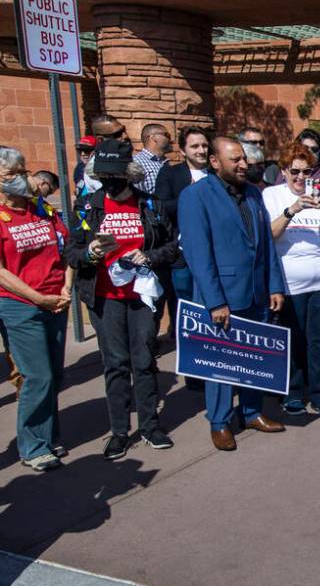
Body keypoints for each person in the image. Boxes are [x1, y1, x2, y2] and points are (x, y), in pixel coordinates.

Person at [64, 139, 178, 459]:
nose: (110, 183)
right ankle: (118, 431)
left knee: (143, 358)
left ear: (129, 175)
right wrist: (89, 253)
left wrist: (150, 256)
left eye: (116, 176)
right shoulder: (88, 207)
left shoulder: (149, 204)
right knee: (115, 363)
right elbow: (71, 252)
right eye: (104, 176)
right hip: (104, 296)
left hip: (141, 294)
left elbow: (171, 247)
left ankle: (150, 425)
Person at [178, 138, 287, 452]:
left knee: (253, 359)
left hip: (257, 293)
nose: (243, 165)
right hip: (222, 298)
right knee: (222, 363)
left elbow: (265, 244)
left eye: (244, 159)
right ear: (214, 161)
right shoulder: (195, 196)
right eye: (235, 160)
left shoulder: (253, 192)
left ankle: (251, 412)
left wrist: (275, 285)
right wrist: (215, 301)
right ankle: (220, 421)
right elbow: (199, 255)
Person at [0, 147, 70, 471]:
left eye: (21, 170)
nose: (19, 179)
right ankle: (33, 446)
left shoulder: (42, 209)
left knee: (54, 375)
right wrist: (36, 297)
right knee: (37, 375)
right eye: (10, 174)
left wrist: (66, 287)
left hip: (56, 300)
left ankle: (49, 434)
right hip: (19, 305)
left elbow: (64, 248)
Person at [262, 143, 320, 418]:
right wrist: (291, 210)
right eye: (294, 171)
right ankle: (293, 393)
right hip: (288, 282)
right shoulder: (272, 195)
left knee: (319, 341)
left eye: (307, 172)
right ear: (283, 171)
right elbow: (266, 235)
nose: (300, 177)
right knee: (292, 338)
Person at [154, 126, 210, 338]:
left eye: (204, 145)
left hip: (213, 249)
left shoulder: (216, 173)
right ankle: (186, 341)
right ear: (183, 150)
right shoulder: (171, 172)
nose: (201, 150)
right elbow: (161, 207)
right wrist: (191, 196)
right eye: (194, 146)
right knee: (183, 298)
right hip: (181, 252)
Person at [132, 123, 171, 195]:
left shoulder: (166, 163)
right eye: (167, 135)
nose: (170, 139)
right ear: (153, 138)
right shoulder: (136, 162)